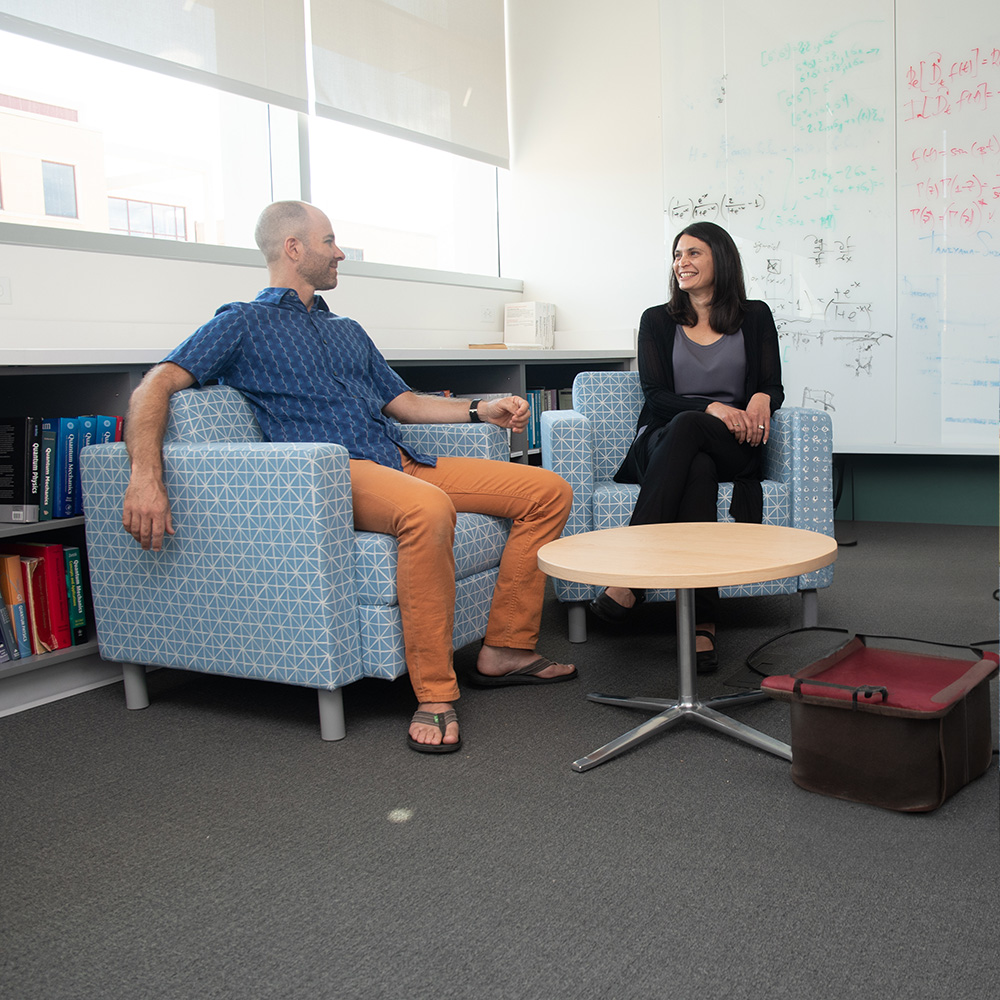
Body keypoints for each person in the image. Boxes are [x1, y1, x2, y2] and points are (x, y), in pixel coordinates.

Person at [121, 200, 576, 754]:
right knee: (428, 509)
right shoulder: (241, 323)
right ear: (294, 248)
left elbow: (403, 402)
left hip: (399, 460)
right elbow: (155, 386)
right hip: (334, 474)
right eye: (330, 241)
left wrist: (481, 409)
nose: (339, 253)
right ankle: (434, 694)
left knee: (548, 490)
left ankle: (506, 648)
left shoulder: (348, 330)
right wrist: (146, 478)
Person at [589, 221, 783, 670]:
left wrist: (762, 397)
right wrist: (713, 407)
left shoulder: (755, 316)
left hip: (732, 443)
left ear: (721, 258)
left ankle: (629, 579)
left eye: (694, 253)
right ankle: (703, 624)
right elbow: (655, 395)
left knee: (697, 442)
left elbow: (772, 384)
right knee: (693, 457)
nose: (682, 263)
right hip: (662, 439)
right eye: (678, 255)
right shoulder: (657, 320)